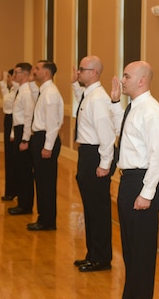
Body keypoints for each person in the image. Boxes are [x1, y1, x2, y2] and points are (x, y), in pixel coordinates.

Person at [107, 61, 159, 299]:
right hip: (129, 181)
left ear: (142, 80)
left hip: (142, 183)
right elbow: (123, 131)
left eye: (127, 76)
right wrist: (114, 103)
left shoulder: (151, 111)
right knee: (131, 250)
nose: (122, 80)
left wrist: (146, 193)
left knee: (141, 253)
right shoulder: (134, 107)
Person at [71, 56, 115, 272]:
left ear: (94, 72)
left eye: (82, 69)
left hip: (95, 154)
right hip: (88, 153)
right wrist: (74, 84)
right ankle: (93, 253)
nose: (78, 72)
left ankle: (101, 258)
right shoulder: (89, 95)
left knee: (98, 209)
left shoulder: (97, 99)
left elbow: (107, 134)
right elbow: (81, 103)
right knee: (90, 207)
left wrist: (105, 163)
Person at [28, 61, 63, 231]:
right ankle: (43, 218)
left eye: (37, 68)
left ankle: (47, 221)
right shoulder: (44, 91)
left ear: (47, 73)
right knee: (41, 181)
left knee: (46, 183)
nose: (34, 71)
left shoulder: (50, 94)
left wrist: (48, 146)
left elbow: (53, 123)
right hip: (40, 138)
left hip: (46, 139)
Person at [8, 62, 35, 216]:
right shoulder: (21, 90)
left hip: (24, 131)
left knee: (24, 171)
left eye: (17, 72)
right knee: (19, 168)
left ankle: (25, 205)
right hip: (19, 130)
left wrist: (25, 139)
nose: (14, 76)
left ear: (25, 74)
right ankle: (21, 203)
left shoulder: (27, 92)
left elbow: (28, 116)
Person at [0, 69, 19, 201]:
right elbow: (5, 95)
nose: (8, 79)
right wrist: (2, 81)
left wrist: (12, 132)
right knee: (9, 158)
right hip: (8, 120)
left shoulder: (18, 91)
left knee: (13, 159)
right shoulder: (12, 91)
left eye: (10, 77)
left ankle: (14, 190)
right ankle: (10, 190)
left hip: (13, 122)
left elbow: (17, 112)